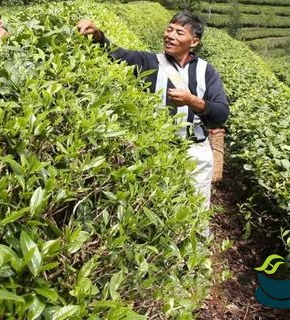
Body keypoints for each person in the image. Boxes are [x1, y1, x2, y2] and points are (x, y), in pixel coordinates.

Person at [76, 11, 229, 210]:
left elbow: (221, 114)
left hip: (195, 152)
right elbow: (117, 54)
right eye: (169, 29)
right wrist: (97, 35)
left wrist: (192, 101)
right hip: (159, 150)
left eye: (179, 32)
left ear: (194, 42)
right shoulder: (149, 62)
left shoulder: (206, 71)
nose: (170, 36)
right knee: (159, 208)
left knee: (195, 211)